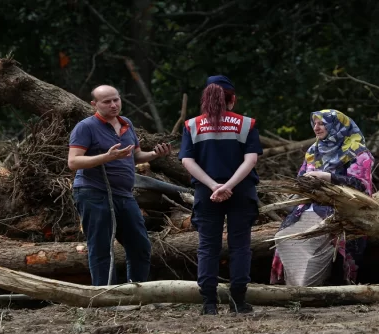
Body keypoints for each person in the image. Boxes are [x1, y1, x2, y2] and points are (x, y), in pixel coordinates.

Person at [68, 85, 171, 286]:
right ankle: (106, 297)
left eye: (116, 100)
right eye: (107, 102)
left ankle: (136, 292)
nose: (114, 105)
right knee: (101, 248)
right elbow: (73, 162)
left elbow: (135, 156)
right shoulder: (85, 127)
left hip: (124, 194)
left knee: (140, 245)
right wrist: (106, 157)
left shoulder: (127, 124)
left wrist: (155, 155)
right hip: (93, 192)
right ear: (94, 105)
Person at [178, 75, 263, 315]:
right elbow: (251, 159)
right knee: (240, 246)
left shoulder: (192, 125)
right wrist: (229, 186)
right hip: (241, 191)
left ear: (205, 99)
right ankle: (238, 301)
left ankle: (209, 304)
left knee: (207, 247)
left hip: (207, 193)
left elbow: (187, 160)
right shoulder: (246, 124)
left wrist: (214, 186)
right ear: (232, 99)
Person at [270, 109, 374, 287]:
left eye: (321, 124)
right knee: (284, 236)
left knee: (315, 238)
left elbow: (362, 186)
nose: (316, 128)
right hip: (306, 208)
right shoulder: (314, 150)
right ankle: (296, 286)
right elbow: (301, 178)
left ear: (336, 125)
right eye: (315, 124)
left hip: (337, 209)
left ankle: (311, 285)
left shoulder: (357, 152)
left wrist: (328, 177)